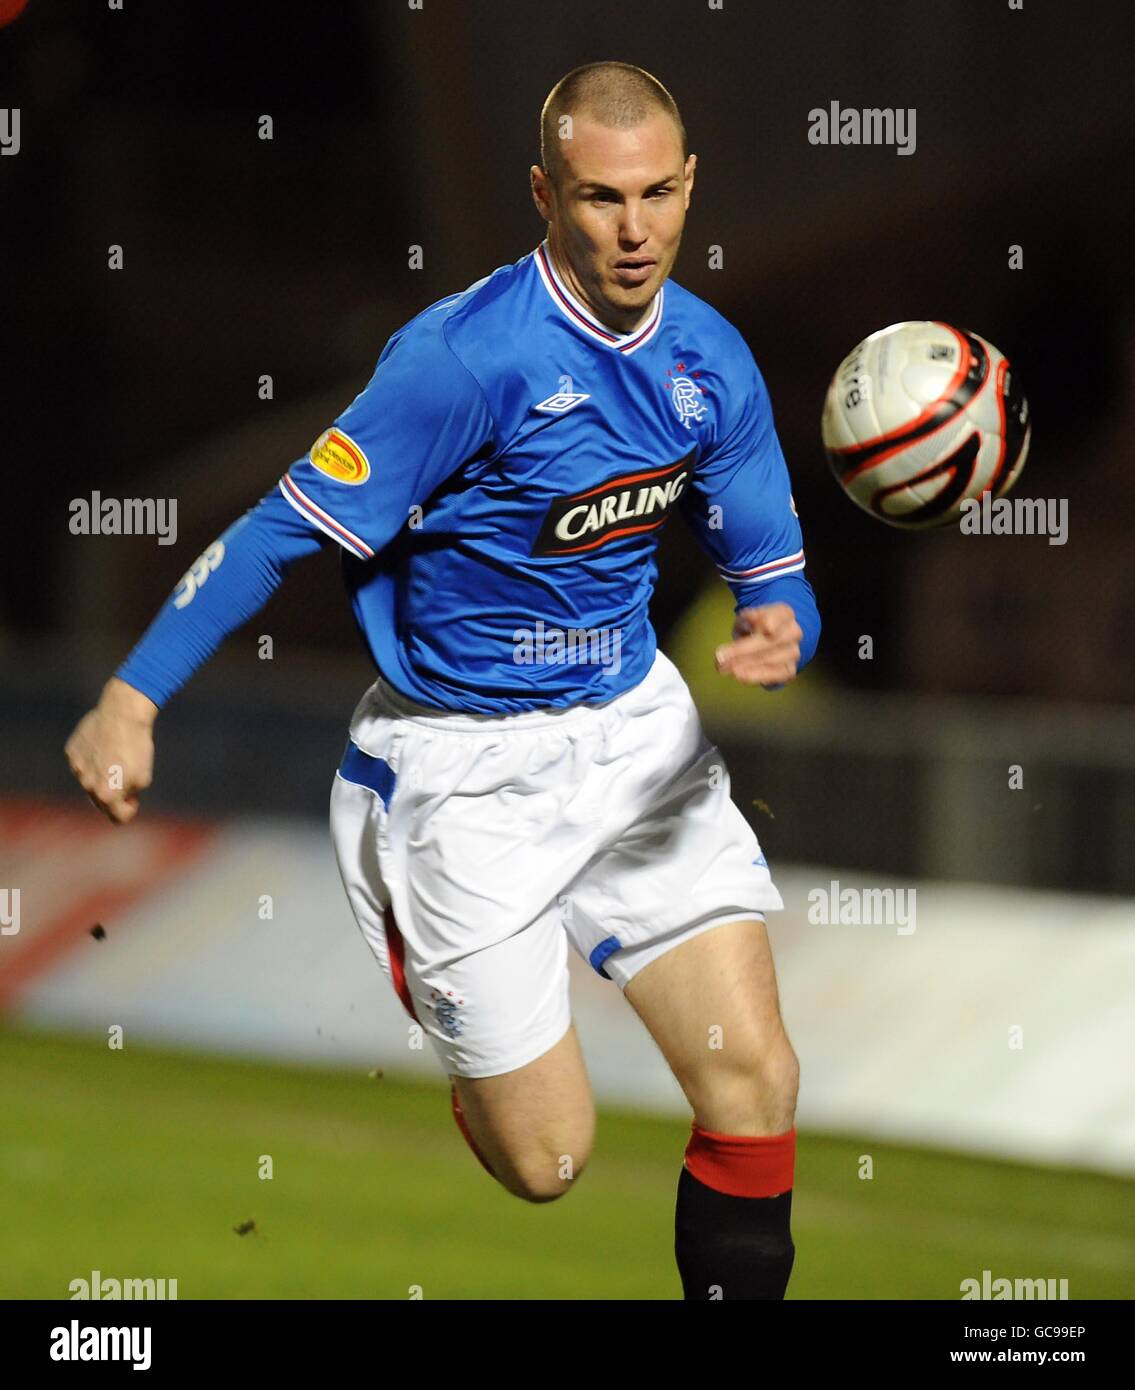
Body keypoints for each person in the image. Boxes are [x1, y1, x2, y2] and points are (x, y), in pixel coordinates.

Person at [65, 60, 820, 1300]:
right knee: (549, 1162)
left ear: (690, 186)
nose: (633, 230)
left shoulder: (712, 361)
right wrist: (132, 696)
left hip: (633, 739)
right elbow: (275, 531)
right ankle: (462, 1009)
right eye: (597, 198)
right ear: (541, 195)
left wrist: (779, 624)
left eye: (655, 194)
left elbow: (773, 568)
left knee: (756, 1081)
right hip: (461, 770)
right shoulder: (462, 363)